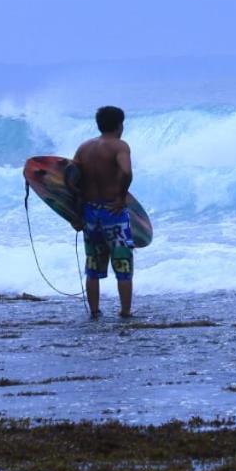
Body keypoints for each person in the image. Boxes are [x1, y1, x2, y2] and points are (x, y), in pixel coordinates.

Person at [73, 106, 135, 319]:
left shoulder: (84, 148)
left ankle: (95, 310)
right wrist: (121, 195)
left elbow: (71, 179)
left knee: (93, 264)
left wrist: (74, 213)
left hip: (90, 212)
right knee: (123, 263)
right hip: (113, 212)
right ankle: (125, 311)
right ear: (119, 125)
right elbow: (126, 171)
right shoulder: (119, 146)